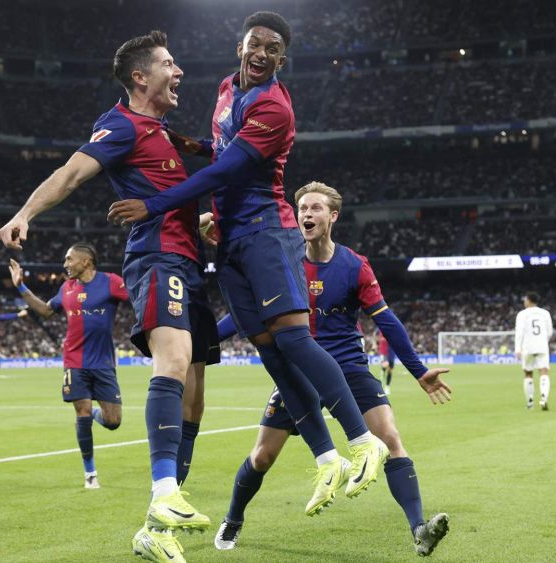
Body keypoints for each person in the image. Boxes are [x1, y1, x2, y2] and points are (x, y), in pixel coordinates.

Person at [107, 12, 388, 519]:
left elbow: (228, 168)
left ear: (282, 59)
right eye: (255, 43)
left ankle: (364, 440)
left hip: (264, 229)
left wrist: (156, 203)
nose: (262, 54)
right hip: (230, 241)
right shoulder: (224, 89)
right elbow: (220, 148)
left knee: (295, 340)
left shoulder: (275, 106)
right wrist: (190, 146)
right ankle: (326, 457)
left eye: (273, 49)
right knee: (272, 355)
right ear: (241, 45)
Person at [0, 30, 217, 562]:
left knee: (195, 392)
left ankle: (156, 529)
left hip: (189, 261)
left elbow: (171, 194)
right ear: (141, 77)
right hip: (157, 258)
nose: (179, 71)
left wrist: (202, 219)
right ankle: (164, 491)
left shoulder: (161, 131)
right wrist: (25, 214)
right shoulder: (121, 124)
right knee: (175, 360)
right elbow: (71, 173)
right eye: (169, 63)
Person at [213, 182, 452, 557]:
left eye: (315, 208)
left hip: (350, 368)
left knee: (390, 440)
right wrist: (201, 342)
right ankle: (233, 519)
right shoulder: (282, 262)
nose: (306, 214)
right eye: (302, 208)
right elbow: (241, 316)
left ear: (333, 216)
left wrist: (418, 369)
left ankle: (419, 528)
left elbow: (386, 321)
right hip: (299, 371)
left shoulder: (354, 265)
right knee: (262, 456)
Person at [10, 244, 128, 489]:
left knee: (113, 420)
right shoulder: (67, 287)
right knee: (81, 412)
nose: (65, 264)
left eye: (69, 259)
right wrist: (21, 286)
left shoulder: (111, 282)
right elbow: (44, 310)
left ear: (86, 261)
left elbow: (137, 299)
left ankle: (97, 415)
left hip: (104, 363)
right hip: (74, 362)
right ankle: (90, 474)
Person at [515, 292, 553, 410]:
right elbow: (550, 332)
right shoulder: (545, 313)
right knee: (544, 372)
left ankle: (530, 402)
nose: (524, 302)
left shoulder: (522, 314)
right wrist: (543, 341)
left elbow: (519, 332)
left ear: (529, 300)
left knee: (528, 373)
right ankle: (544, 398)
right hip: (542, 346)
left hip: (527, 347)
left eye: (525, 300)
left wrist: (518, 349)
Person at [377, 329, 396, 395]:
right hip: (383, 351)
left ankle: (387, 387)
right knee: (384, 366)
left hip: (392, 352)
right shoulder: (380, 328)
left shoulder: (393, 328)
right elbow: (378, 337)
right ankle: (380, 384)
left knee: (390, 370)